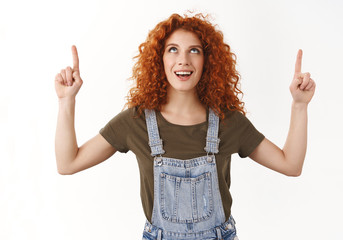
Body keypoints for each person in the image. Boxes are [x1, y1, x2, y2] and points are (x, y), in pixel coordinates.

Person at [54, 13, 316, 240]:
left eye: (194, 50)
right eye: (173, 49)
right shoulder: (135, 122)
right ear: (160, 59)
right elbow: (68, 163)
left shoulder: (229, 122)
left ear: (208, 61)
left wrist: (299, 106)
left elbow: (290, 165)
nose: (184, 60)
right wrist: (67, 102)